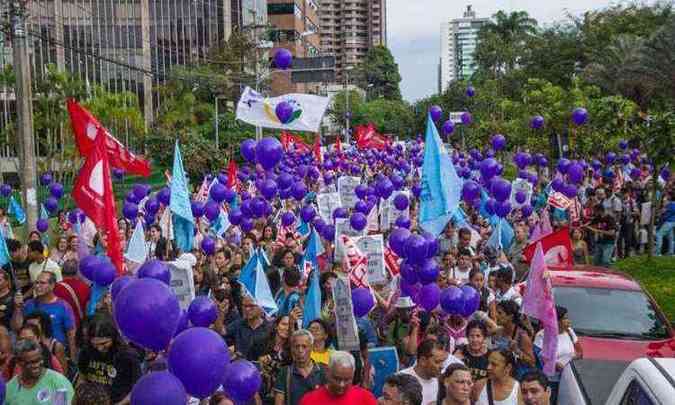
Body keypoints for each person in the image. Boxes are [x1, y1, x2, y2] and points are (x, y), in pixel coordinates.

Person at [77, 314, 142, 404]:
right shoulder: (86, 352)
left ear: (113, 337)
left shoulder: (128, 356)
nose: (99, 348)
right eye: (95, 344)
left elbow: (137, 389)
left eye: (104, 343)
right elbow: (82, 379)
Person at [12, 272, 77, 359]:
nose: (38, 286)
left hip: (55, 353)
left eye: (42, 283)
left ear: (52, 285)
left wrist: (72, 359)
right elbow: (17, 328)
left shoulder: (63, 306)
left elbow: (71, 335)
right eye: (36, 282)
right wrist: (17, 308)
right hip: (31, 354)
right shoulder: (28, 304)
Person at [5, 339, 74, 405]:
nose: (36, 365)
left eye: (38, 360)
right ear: (19, 362)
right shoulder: (10, 389)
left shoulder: (58, 383)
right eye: (31, 362)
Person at [533, 306, 582, 399]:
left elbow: (580, 353)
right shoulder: (542, 336)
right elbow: (539, 357)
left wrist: (569, 361)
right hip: (550, 381)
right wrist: (555, 364)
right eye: (565, 318)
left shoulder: (570, 332)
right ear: (557, 321)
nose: (568, 321)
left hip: (568, 380)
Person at [299, 350, 377, 405]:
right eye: (337, 379)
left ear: (353, 375)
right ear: (327, 372)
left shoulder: (366, 399)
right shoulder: (309, 401)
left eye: (347, 380)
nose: (341, 384)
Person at [274, 329, 326, 405]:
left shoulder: (323, 371)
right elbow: (279, 401)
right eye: (296, 346)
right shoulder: (285, 372)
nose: (300, 350)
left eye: (304, 346)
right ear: (292, 349)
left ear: (311, 348)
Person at [224, 295, 271, 360]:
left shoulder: (269, 328)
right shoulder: (238, 324)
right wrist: (221, 314)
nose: (247, 309)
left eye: (251, 306)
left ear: (261, 307)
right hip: (239, 366)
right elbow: (222, 332)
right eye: (245, 306)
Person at [400, 339, 446, 405]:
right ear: (423, 361)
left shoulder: (442, 382)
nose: (442, 366)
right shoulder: (401, 380)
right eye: (437, 362)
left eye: (443, 361)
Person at [54, 259, 91, 330]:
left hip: (61, 325)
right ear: (77, 273)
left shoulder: (55, 287)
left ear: (61, 272)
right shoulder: (85, 287)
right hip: (78, 325)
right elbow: (87, 309)